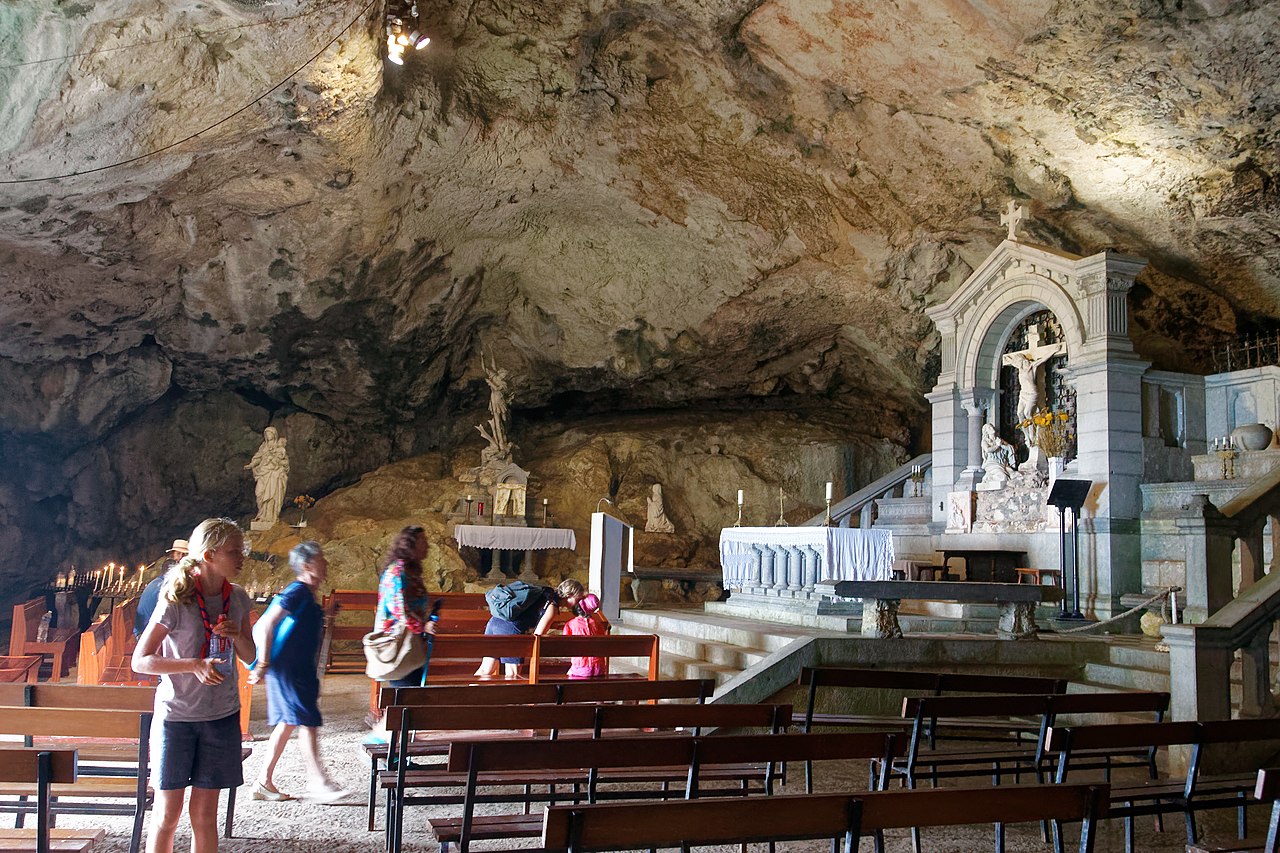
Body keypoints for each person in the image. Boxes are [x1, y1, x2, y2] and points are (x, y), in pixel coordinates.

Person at [132, 518, 254, 853]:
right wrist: (193, 666)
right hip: (177, 718)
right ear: (211, 554)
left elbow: (251, 654)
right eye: (235, 551)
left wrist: (236, 635)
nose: (242, 557)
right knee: (167, 815)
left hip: (221, 716)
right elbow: (140, 660)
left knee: (204, 816)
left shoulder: (238, 598)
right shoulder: (176, 599)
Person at [246, 541, 347, 803]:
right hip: (289, 670)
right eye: (320, 559)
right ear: (307, 565)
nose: (326, 564)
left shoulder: (307, 595)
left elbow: (300, 624)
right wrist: (263, 665)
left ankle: (263, 782)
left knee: (289, 722)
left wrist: (325, 613)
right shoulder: (297, 590)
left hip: (296, 669)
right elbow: (268, 623)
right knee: (307, 722)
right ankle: (318, 782)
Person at [474, 578, 584, 678]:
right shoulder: (552, 607)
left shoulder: (545, 592)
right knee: (513, 674)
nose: (579, 603)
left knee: (486, 669)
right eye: (578, 599)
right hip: (511, 630)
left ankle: (467, 695)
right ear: (569, 595)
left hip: (494, 622)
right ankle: (511, 699)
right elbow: (537, 636)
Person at [374, 526, 436, 688]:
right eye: (423, 541)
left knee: (413, 690)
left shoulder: (411, 571)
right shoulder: (397, 572)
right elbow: (400, 611)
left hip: (412, 642)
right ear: (411, 544)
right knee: (406, 692)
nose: (427, 545)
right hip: (399, 644)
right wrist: (424, 626)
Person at [135, 539, 189, 639]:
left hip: (145, 629)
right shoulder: (164, 588)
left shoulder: (159, 581)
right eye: (178, 554)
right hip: (144, 634)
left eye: (184, 555)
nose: (181, 558)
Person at [246, 426, 289, 526]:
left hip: (274, 474)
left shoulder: (279, 446)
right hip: (263, 473)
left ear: (274, 435)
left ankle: (270, 517)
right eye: (266, 434)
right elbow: (258, 458)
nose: (268, 435)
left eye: (270, 433)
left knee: (272, 496)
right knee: (259, 493)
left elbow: (285, 462)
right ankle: (262, 515)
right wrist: (251, 465)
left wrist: (277, 462)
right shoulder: (263, 446)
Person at [563, 593, 610, 679]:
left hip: (580, 667)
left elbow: (566, 646)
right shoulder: (598, 624)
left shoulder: (570, 625)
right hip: (599, 668)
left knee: (569, 673)